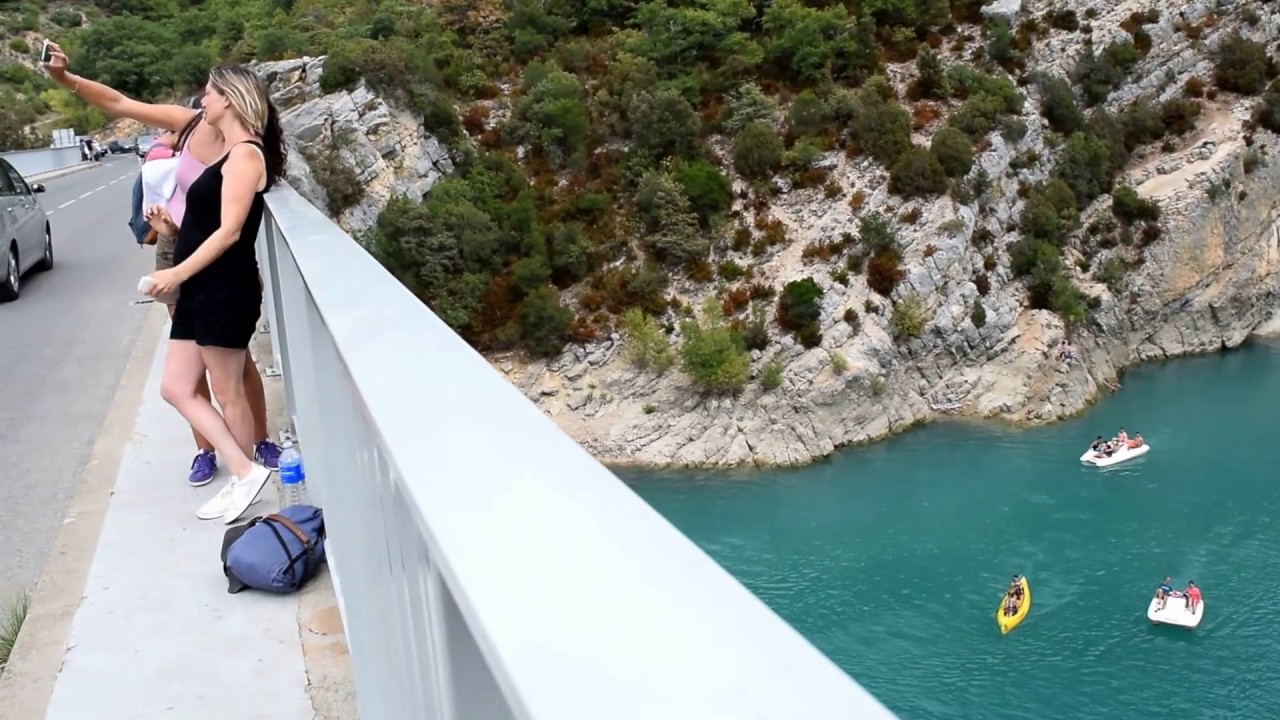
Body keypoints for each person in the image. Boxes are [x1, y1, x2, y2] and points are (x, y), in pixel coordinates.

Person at [44, 44, 285, 522]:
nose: (202, 98)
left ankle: (245, 480)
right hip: (198, 283)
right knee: (176, 386)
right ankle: (242, 470)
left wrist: (174, 271)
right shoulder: (200, 130)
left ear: (231, 100)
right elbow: (120, 104)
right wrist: (66, 79)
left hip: (221, 285)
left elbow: (231, 232)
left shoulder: (245, 156)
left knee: (228, 389)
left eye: (211, 92)